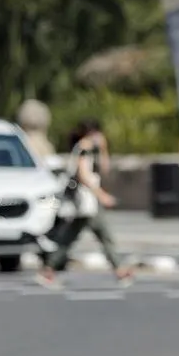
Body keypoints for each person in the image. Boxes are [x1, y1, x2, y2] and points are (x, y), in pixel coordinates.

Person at [37, 120, 133, 288]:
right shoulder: (83, 150)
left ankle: (49, 269)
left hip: (86, 203)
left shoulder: (89, 150)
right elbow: (84, 176)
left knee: (71, 238)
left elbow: (104, 169)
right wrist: (102, 195)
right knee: (104, 236)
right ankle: (119, 269)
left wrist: (104, 149)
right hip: (86, 201)